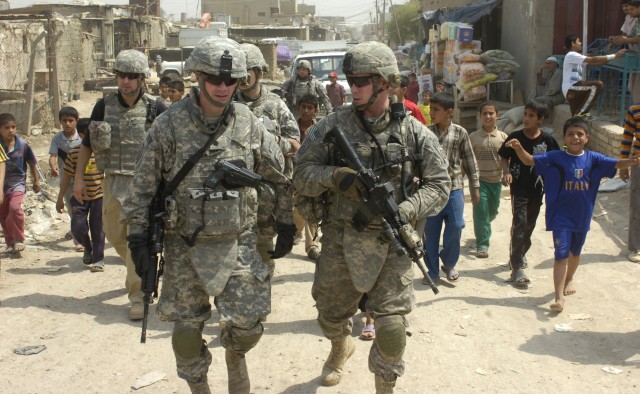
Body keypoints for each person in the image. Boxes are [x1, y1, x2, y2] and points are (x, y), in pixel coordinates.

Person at [121, 36, 294, 394]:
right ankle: (199, 386)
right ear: (198, 77)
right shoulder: (168, 126)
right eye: (214, 79)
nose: (222, 87)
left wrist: (286, 221)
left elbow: (278, 177)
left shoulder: (248, 123)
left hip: (240, 243)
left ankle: (235, 358)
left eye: (231, 81)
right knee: (186, 335)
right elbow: (141, 189)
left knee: (247, 328)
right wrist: (138, 239)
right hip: (185, 246)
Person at [293, 41, 450, 392]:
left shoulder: (412, 132)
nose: (354, 88)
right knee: (331, 317)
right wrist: (335, 177)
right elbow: (301, 173)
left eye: (362, 81)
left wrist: (406, 210)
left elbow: (441, 185)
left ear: (384, 83)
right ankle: (339, 346)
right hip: (341, 237)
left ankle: (385, 387)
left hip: (391, 241)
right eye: (351, 80)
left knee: (392, 329)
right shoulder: (332, 126)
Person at [507, 117, 640, 312]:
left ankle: (569, 279)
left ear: (587, 138)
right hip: (560, 216)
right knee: (561, 255)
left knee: (575, 253)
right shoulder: (555, 158)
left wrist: (632, 161)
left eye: (579, 134)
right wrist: (518, 147)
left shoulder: (595, 159)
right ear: (564, 138)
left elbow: (617, 164)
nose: (575, 138)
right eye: (570, 134)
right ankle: (559, 297)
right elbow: (529, 160)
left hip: (582, 216)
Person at [72, 49, 167, 320]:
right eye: (121, 76)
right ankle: (142, 267)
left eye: (131, 77)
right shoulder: (104, 105)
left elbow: (171, 146)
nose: (125, 81)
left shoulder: (155, 107)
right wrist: (79, 178)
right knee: (115, 236)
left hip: (145, 184)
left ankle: (138, 294)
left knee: (137, 239)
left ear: (141, 79)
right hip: (112, 181)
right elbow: (87, 145)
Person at [237, 42, 300, 272]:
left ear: (259, 73)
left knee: (262, 260)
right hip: (234, 195)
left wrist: (269, 142)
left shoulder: (275, 105)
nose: (241, 79)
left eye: (246, 73)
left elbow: (295, 144)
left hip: (267, 197)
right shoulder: (227, 105)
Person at [498, 100, 560, 285]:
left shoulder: (548, 140)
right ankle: (517, 268)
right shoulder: (515, 136)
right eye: (525, 114)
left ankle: (519, 253)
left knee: (529, 225)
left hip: (537, 189)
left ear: (540, 119)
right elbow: (503, 156)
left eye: (531, 115)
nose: (526, 118)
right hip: (519, 188)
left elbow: (557, 160)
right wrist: (506, 172)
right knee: (520, 224)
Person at [422, 92, 480, 283]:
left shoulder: (460, 132)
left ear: (449, 112)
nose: (432, 113)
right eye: (431, 109)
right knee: (430, 233)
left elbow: (470, 160)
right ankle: (432, 272)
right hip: (431, 189)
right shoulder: (426, 133)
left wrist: (475, 186)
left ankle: (448, 262)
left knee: (456, 226)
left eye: (436, 110)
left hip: (454, 188)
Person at [56, 118, 105, 272]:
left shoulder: (102, 153)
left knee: (98, 229)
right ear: (83, 135)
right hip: (79, 197)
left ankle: (98, 259)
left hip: (99, 196)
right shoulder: (75, 153)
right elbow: (66, 177)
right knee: (77, 227)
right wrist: (60, 199)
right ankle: (87, 247)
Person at [469, 101, 508, 258]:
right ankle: (482, 244)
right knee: (481, 211)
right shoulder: (473, 137)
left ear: (497, 116)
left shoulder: (503, 137)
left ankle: (484, 224)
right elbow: (467, 159)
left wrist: (507, 173)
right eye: (484, 113)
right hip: (479, 181)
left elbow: (507, 158)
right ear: (480, 116)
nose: (488, 116)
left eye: (491, 113)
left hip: (496, 181)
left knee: (492, 211)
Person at [0, 113, 40, 254]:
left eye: (13, 127)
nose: (11, 130)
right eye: (6, 128)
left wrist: (36, 180)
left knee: (15, 208)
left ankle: (18, 239)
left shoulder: (22, 145)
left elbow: (32, 163)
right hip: (1, 185)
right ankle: (10, 242)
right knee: (3, 214)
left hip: (17, 183)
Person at [562, 34, 626, 117]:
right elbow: (593, 59)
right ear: (573, 43)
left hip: (572, 91)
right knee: (596, 85)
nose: (581, 43)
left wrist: (612, 57)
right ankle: (582, 113)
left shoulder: (577, 57)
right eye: (579, 41)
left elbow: (596, 63)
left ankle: (580, 115)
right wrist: (615, 55)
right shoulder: (571, 55)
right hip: (572, 88)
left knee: (576, 119)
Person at [49, 106, 84, 252]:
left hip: (84, 180)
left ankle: (80, 231)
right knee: (73, 210)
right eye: (65, 121)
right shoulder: (57, 139)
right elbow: (52, 156)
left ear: (76, 121)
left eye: (71, 120)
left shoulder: (82, 137)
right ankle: (79, 240)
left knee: (85, 209)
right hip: (66, 181)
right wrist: (53, 167)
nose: (68, 124)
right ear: (60, 122)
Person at [291, 94, 320, 260]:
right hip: (290, 175)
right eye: (303, 107)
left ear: (315, 111)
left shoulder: (317, 130)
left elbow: (318, 151)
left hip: (310, 175)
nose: (306, 111)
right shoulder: (291, 127)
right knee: (296, 210)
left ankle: (312, 246)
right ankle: (297, 230)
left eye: (310, 108)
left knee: (311, 207)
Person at [620, 103, 640, 263]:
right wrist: (624, 165)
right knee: (637, 205)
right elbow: (627, 138)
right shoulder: (634, 110)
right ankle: (635, 247)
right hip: (638, 163)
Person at [611, 1, 640, 104]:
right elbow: (630, 35)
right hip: (635, 56)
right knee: (632, 86)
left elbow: (637, 39)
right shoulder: (636, 20)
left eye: (632, 9)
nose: (629, 11)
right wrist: (618, 38)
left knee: (637, 89)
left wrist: (625, 40)